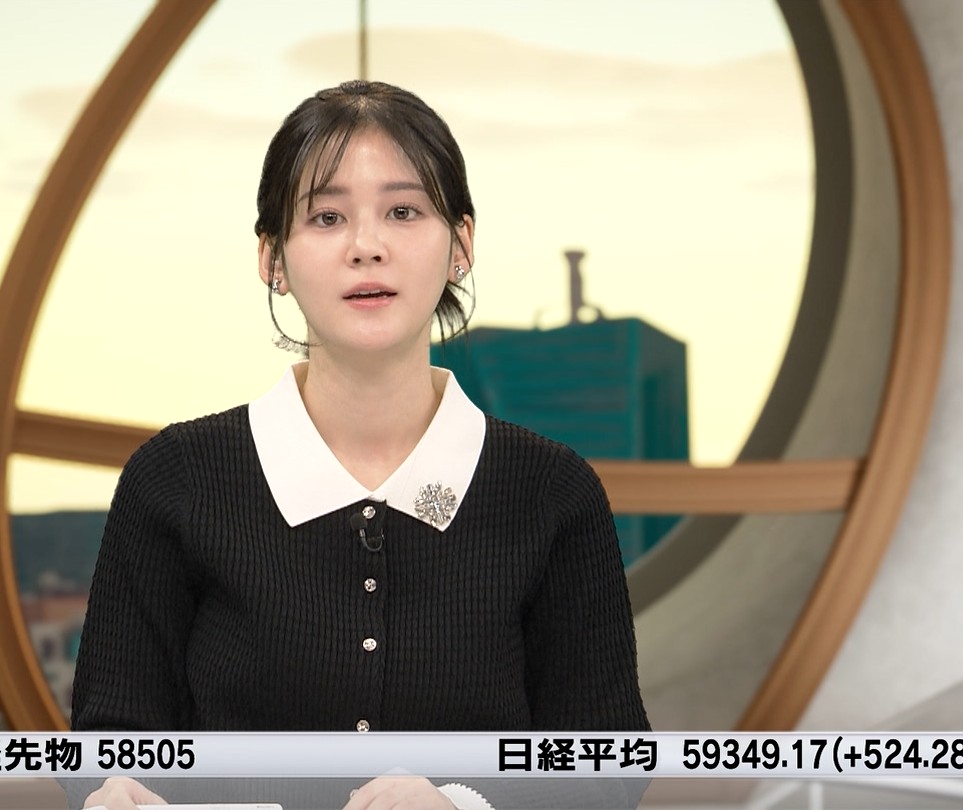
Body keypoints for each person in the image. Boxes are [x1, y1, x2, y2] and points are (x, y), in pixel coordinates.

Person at [65, 80, 649, 810]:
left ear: (461, 244)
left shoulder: (550, 491)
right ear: (272, 258)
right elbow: (107, 744)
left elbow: (608, 769)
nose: (366, 247)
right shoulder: (174, 479)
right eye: (326, 217)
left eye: (403, 212)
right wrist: (113, 792)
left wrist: (463, 805)